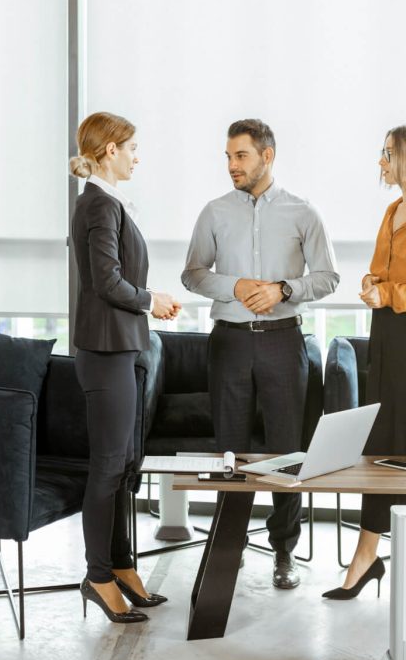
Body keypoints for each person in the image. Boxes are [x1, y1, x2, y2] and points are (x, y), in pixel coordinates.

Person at [182, 118, 339, 590]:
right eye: (228, 157)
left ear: (267, 156)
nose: (232, 165)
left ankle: (284, 552)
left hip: (282, 340)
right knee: (228, 452)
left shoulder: (302, 212)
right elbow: (192, 274)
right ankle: (228, 549)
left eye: (241, 156)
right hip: (228, 342)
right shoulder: (213, 212)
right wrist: (236, 286)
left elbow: (328, 277)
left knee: (287, 452)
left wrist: (283, 289)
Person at [70, 111, 181, 623]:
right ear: (110, 150)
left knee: (123, 466)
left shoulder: (109, 203)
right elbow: (106, 282)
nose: (138, 156)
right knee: (109, 466)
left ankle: (122, 566)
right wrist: (150, 300)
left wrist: (146, 306)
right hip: (106, 350)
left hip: (124, 347)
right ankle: (97, 577)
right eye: (133, 147)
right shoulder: (98, 205)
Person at [323, 126, 406, 600]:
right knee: (381, 445)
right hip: (387, 335)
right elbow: (382, 267)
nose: (381, 162)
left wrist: (388, 292)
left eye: (387, 153)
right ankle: (367, 555)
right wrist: (372, 283)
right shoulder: (392, 210)